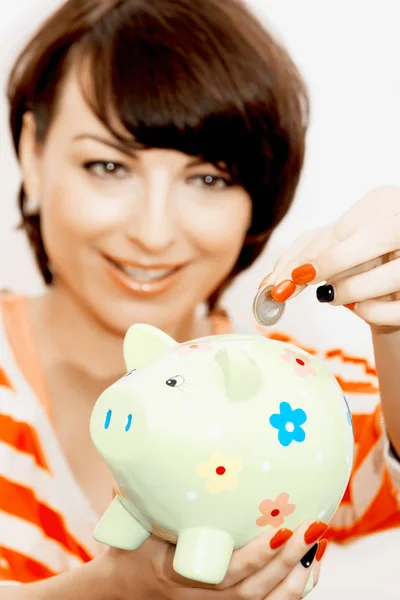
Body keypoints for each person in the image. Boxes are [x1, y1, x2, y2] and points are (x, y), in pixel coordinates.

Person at [0, 0, 399, 597]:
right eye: (108, 166)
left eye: (209, 178)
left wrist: (393, 320)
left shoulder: (293, 400)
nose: (153, 232)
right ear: (32, 150)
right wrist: (115, 590)